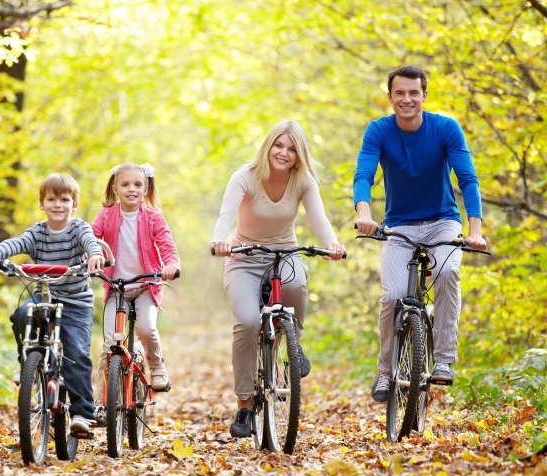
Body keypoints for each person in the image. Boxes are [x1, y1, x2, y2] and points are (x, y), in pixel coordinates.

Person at [353, 65, 486, 403]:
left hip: (443, 221)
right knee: (392, 295)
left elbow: (467, 179)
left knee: (447, 270)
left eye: (414, 92)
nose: (407, 99)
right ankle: (385, 372)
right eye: (400, 93)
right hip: (399, 226)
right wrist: (365, 215)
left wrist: (475, 231)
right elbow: (364, 175)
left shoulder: (445, 128)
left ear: (424, 95)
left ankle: (443, 360)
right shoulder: (378, 131)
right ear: (390, 97)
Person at [210, 120, 346, 439]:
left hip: (285, 254)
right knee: (245, 322)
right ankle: (245, 406)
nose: (283, 153)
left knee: (297, 284)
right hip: (244, 257)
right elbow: (226, 215)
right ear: (268, 146)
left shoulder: (303, 181)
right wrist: (220, 240)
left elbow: (318, 218)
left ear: (299, 155)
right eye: (278, 146)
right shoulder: (245, 177)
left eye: (291, 149)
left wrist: (333, 243)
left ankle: (293, 346)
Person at [0, 173, 104, 433]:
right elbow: (17, 243)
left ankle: (83, 413)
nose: (58, 204)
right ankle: (28, 362)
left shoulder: (78, 228)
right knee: (21, 314)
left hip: (75, 303)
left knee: (77, 355)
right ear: (42, 203)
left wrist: (94, 255)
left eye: (64, 199)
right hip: (44, 296)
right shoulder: (37, 232)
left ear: (75, 204)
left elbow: (90, 242)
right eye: (51, 199)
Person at [91, 162, 181, 425]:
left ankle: (155, 365)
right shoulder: (105, 216)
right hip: (115, 287)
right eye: (126, 184)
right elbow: (91, 239)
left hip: (145, 285)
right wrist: (93, 257)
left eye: (138, 185)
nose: (132, 189)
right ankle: (101, 404)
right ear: (115, 188)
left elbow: (166, 245)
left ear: (146, 188)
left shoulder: (153, 218)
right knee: (109, 346)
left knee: (146, 328)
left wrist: (171, 266)